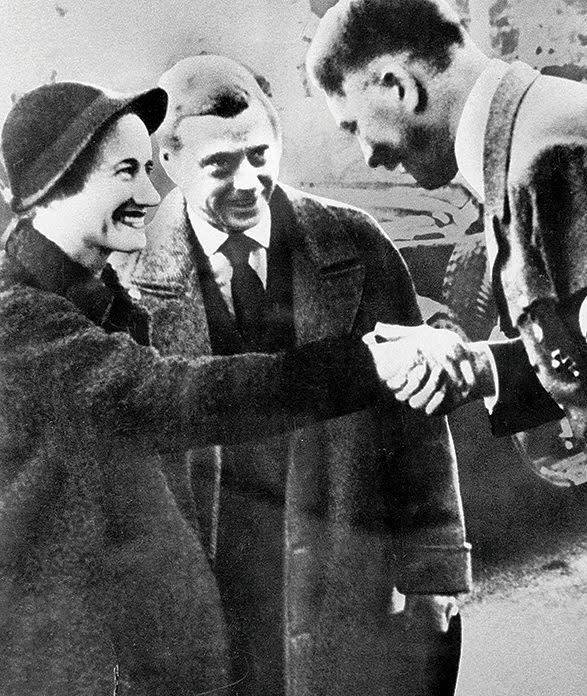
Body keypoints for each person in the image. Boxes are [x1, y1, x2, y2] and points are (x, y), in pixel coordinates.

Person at [307, 1, 587, 693]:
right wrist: (480, 365)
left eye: (351, 125)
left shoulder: (560, 158)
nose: (366, 154)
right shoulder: (540, 133)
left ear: (396, 85)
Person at [0, 80, 396, 696]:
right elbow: (168, 394)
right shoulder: (16, 319)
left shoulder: (101, 303)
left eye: (151, 169)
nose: (152, 193)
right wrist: (371, 364)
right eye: (127, 172)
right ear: (51, 186)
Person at [114, 54, 470, 696]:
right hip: (212, 585)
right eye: (219, 166)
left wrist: (434, 567)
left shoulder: (357, 245)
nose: (248, 181)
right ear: (168, 162)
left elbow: (417, 422)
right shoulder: (127, 281)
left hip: (338, 569)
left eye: (259, 154)